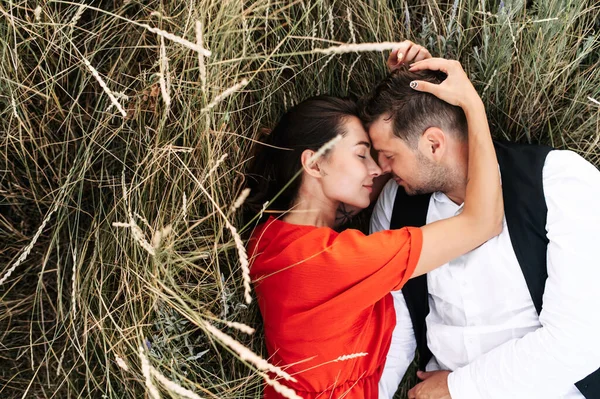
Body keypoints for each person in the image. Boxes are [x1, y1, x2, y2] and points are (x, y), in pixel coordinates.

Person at [244, 55, 503, 398]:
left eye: (383, 156)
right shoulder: (339, 261)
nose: (377, 168)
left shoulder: (269, 239)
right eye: (362, 154)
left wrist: (406, 100)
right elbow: (483, 222)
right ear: (315, 163)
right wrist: (471, 106)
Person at [363, 63, 600, 399]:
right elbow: (396, 328)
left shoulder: (559, 181)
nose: (380, 170)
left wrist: (459, 387)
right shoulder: (394, 207)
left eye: (388, 155)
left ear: (433, 144)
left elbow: (580, 339)